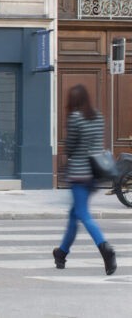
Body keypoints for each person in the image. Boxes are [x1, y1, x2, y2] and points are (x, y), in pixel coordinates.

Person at [53, 84, 116, 275]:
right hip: (93, 175)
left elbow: (70, 148)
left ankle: (105, 248)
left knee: (82, 214)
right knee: (74, 215)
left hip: (78, 174)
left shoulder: (75, 118)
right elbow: (97, 144)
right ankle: (61, 253)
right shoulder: (98, 116)